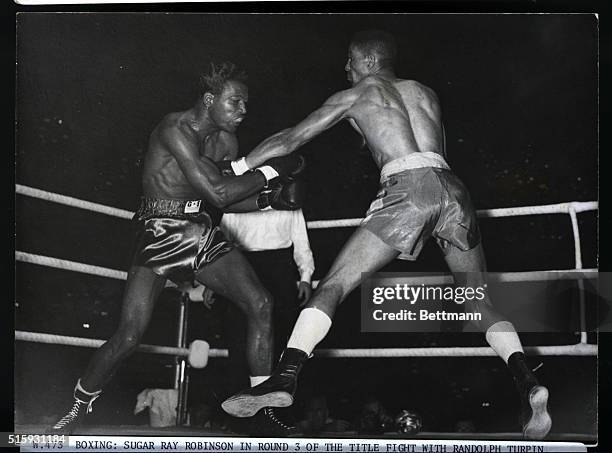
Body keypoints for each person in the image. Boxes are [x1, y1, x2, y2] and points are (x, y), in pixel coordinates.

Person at [220, 31, 552, 440]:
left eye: (349, 61)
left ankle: (283, 378)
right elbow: (432, 156)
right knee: (476, 300)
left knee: (335, 285)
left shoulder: (360, 92)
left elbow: (291, 138)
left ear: (367, 61)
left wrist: (237, 168)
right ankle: (527, 382)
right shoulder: (425, 92)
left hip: (408, 186)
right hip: (453, 189)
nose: (346, 69)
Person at [49, 62, 304, 436]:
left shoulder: (226, 142)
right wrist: (271, 171)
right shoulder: (174, 129)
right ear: (209, 99)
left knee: (261, 303)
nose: (243, 111)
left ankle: (262, 409)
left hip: (199, 229)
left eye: (246, 104)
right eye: (235, 102)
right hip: (158, 230)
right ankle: (77, 407)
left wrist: (270, 201)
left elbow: (222, 200)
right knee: (130, 335)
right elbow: (219, 191)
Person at [220, 201, 315, 394]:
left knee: (278, 340)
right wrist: (214, 283)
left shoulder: (289, 197)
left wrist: (305, 277)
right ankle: (238, 411)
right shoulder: (237, 195)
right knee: (238, 338)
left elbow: (300, 239)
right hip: (242, 265)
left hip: (279, 269)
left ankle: (271, 409)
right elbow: (222, 242)